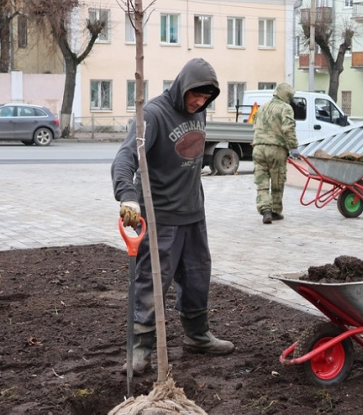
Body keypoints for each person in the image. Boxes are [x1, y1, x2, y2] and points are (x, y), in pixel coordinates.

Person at [111, 58, 234, 375]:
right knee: (151, 284)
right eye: (195, 95)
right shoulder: (152, 115)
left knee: (196, 278)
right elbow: (125, 159)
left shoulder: (200, 111)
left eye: (206, 97)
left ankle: (197, 335)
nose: (199, 102)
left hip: (193, 215)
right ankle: (140, 348)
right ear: (183, 86)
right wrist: (127, 196)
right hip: (160, 217)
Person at [252, 82, 299, 224]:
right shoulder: (286, 108)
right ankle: (275, 211)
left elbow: (255, 125)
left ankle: (265, 210)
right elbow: (288, 129)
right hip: (276, 149)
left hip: (258, 148)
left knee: (262, 181)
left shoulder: (263, 107)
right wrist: (293, 147)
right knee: (277, 181)